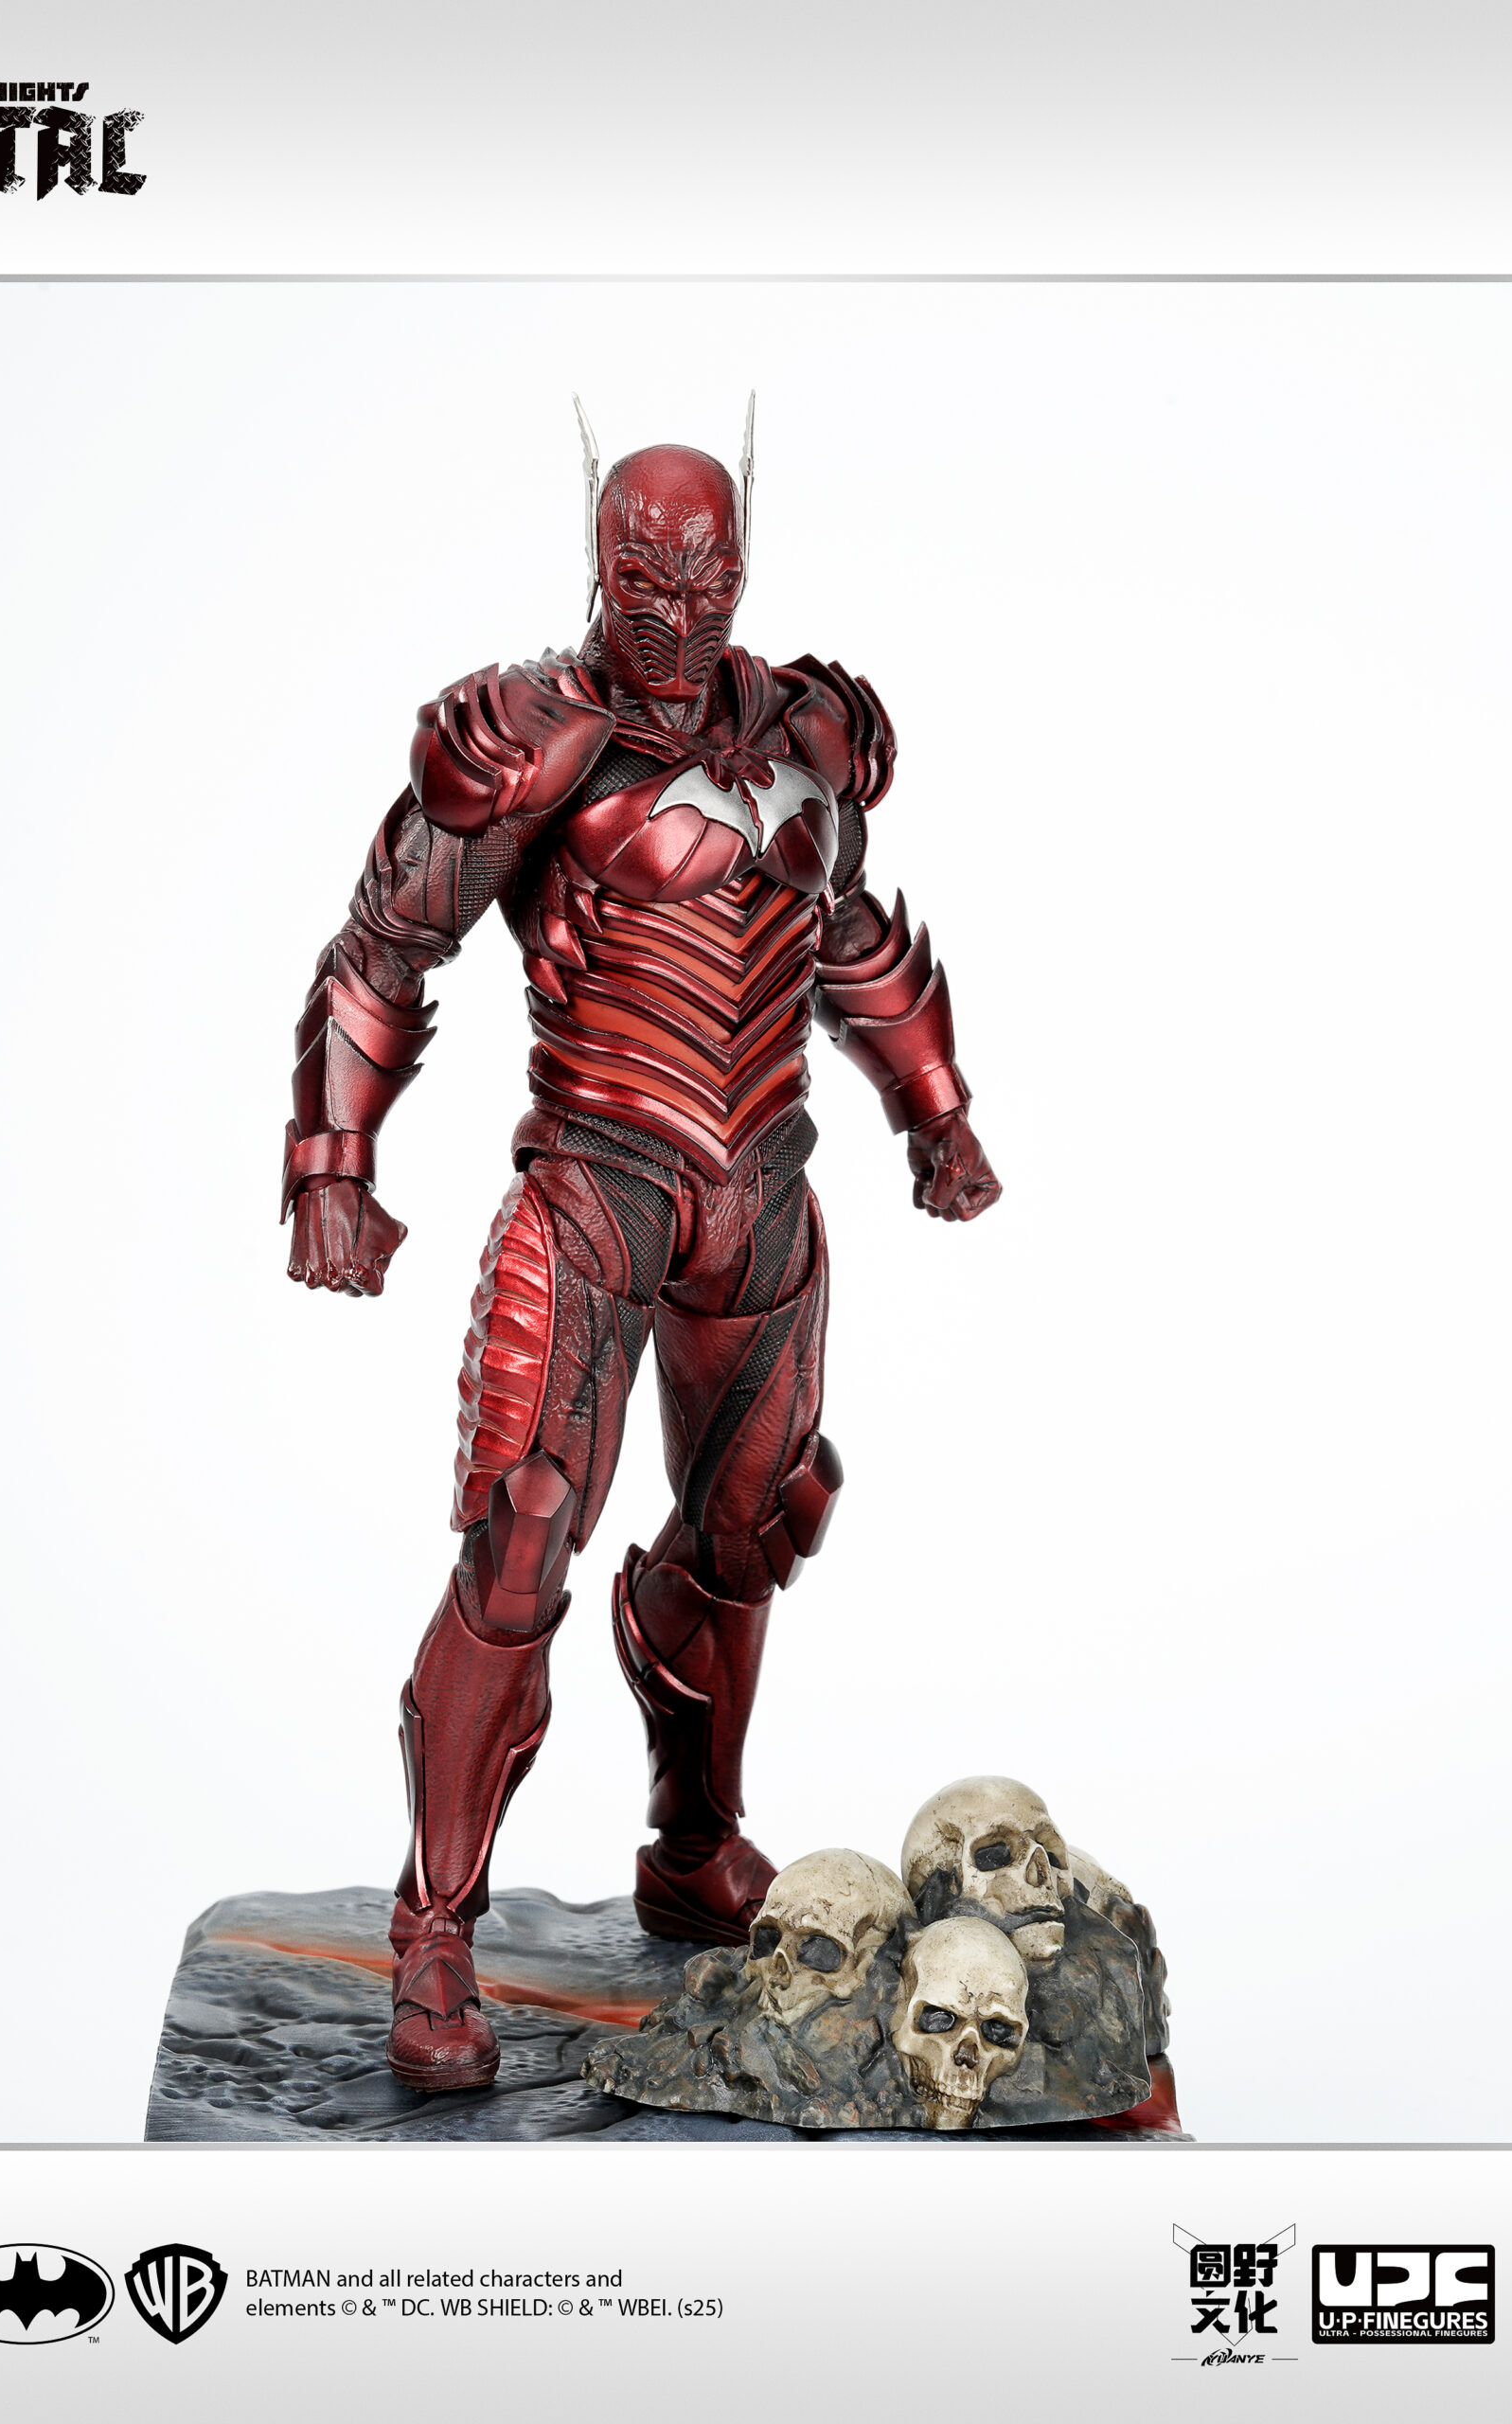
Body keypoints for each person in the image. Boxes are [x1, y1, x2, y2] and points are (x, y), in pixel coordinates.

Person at [282, 417, 1001, 2091]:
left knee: (752, 1529)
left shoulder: (809, 728)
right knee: (522, 1534)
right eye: (642, 576)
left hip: (765, 1188)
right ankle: (437, 1930)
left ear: (743, 567)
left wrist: (936, 1112)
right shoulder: (528, 737)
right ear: (597, 560)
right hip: (597, 1186)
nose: (675, 612)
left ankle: (692, 1842)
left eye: (706, 578)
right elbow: (387, 941)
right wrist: (331, 1162)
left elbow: (849, 935)